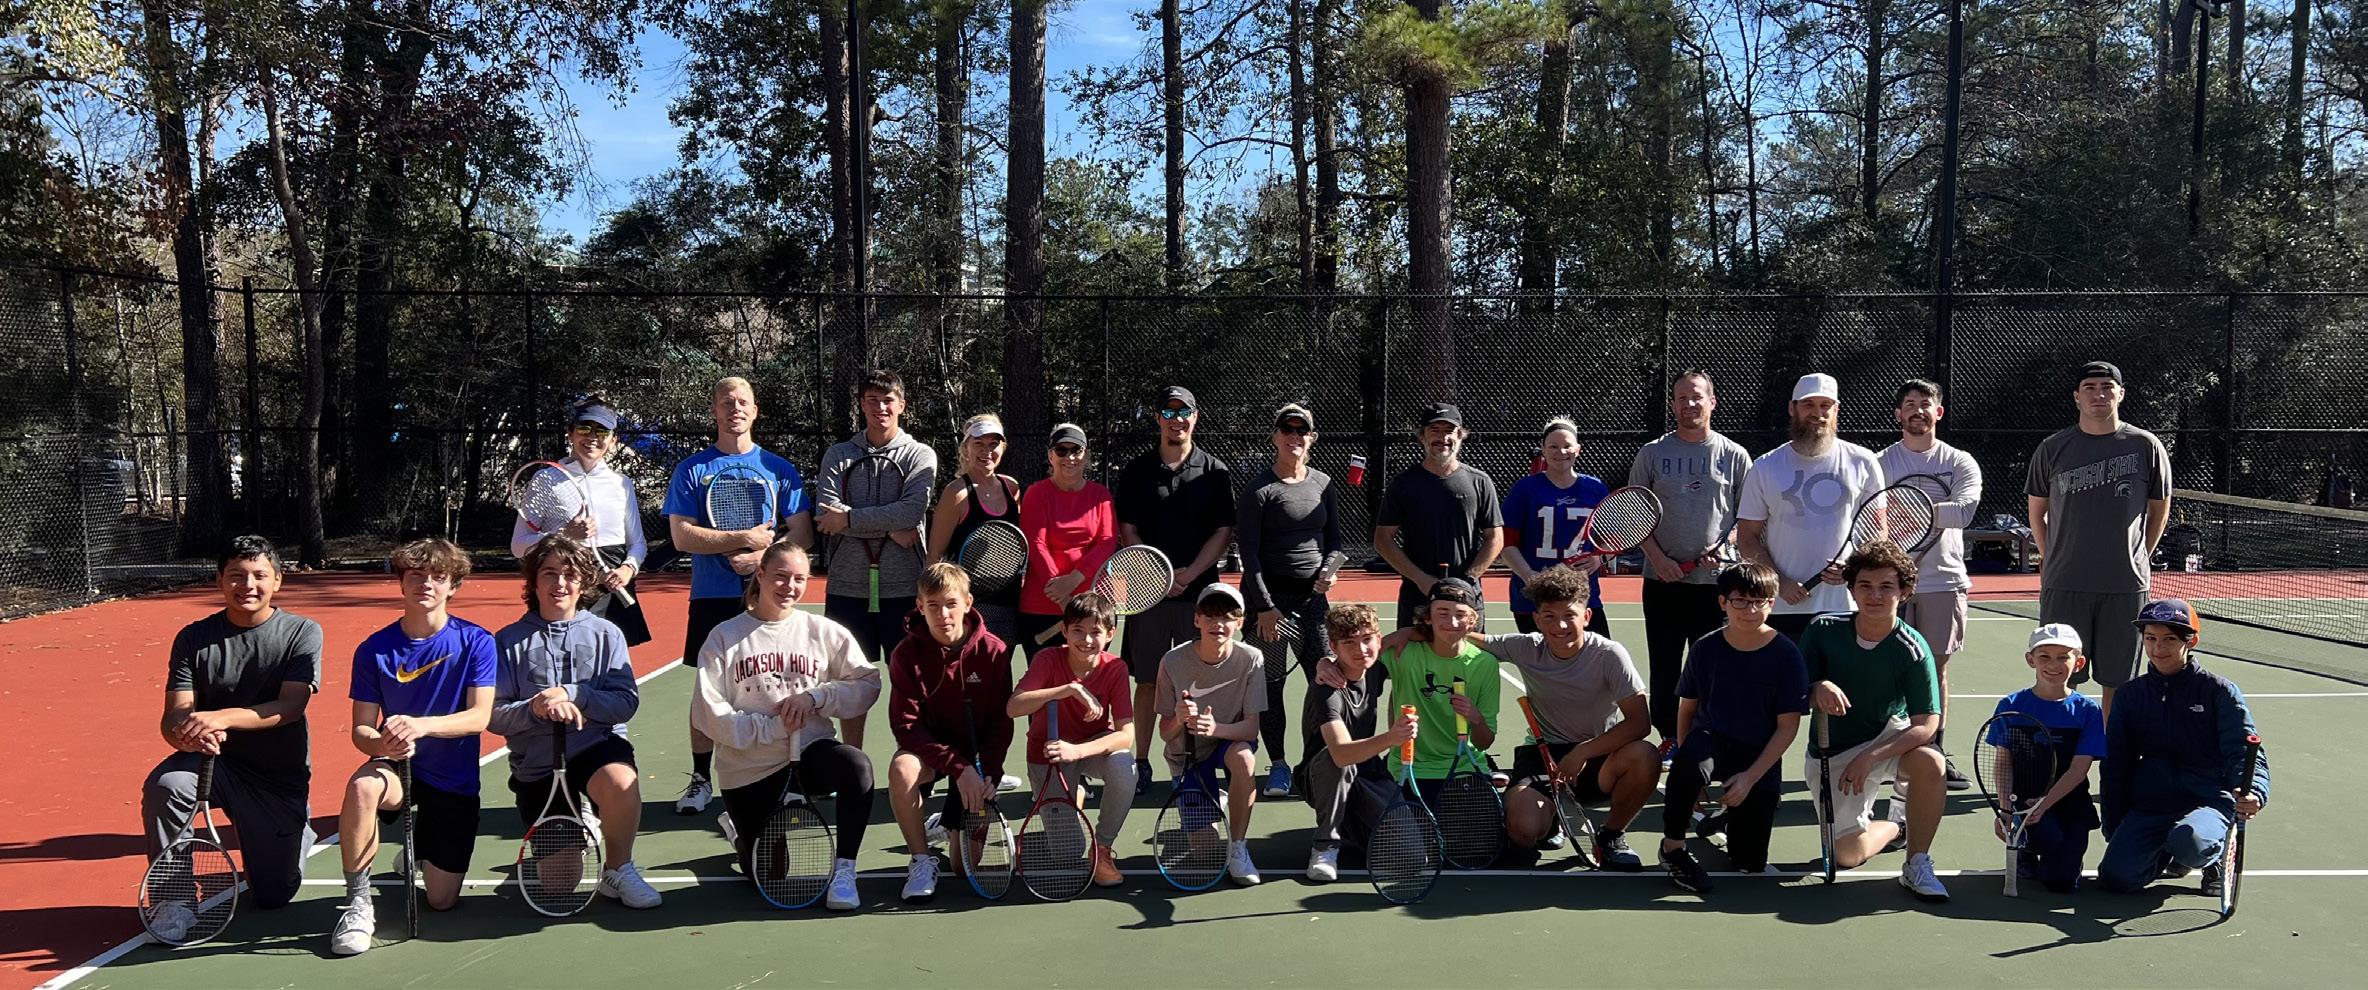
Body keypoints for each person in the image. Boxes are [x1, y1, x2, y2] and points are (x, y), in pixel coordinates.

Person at [1393, 566, 1656, 870]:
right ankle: (1551, 820)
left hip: (1598, 755)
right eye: (1549, 616)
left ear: (1586, 616)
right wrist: (1410, 632)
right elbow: (1459, 634)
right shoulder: (1526, 647)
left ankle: (1611, 835)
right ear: (1537, 619)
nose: (1560, 625)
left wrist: (1582, 752)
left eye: (1569, 615)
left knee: (1645, 755)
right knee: (1522, 831)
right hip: (1542, 756)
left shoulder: (1609, 654)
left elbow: (1639, 723)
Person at [141, 536, 322, 938]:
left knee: (273, 895)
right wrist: (187, 736)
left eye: (259, 575)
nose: (248, 585)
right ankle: (173, 900)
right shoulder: (193, 637)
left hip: (275, 780)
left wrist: (221, 717)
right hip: (213, 767)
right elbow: (174, 716)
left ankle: (297, 832)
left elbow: (290, 707)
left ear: (278, 580)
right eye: (236, 576)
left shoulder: (301, 632)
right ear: (220, 581)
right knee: (167, 785)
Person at [329, 538, 496, 955]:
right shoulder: (374, 650)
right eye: (416, 575)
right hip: (397, 770)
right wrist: (384, 742)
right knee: (362, 786)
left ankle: (418, 852)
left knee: (441, 900)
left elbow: (479, 718)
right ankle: (358, 903)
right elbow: (361, 731)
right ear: (401, 582)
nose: (426, 584)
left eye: (438, 577)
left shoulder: (477, 641)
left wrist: (420, 727)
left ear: (453, 585)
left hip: (453, 779)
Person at [694, 542, 882, 911]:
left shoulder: (822, 631)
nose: (789, 587)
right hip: (749, 769)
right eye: (781, 576)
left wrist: (817, 697)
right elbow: (709, 716)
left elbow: (867, 684)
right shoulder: (724, 637)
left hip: (809, 754)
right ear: (760, 574)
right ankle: (739, 833)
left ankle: (845, 871)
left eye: (799, 579)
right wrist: (776, 728)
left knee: (855, 765)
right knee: (770, 874)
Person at [663, 376, 813, 818]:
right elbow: (682, 535)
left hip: (770, 595)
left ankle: (790, 775)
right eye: (727, 402)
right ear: (714, 410)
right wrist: (741, 539)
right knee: (707, 689)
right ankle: (700, 778)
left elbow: (802, 533)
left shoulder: (778, 468)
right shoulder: (692, 470)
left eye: (743, 402)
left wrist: (762, 557)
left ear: (755, 410)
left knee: (782, 681)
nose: (736, 409)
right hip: (712, 596)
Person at [489, 534, 661, 909]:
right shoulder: (506, 641)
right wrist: (535, 708)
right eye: (549, 573)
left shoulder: (607, 633)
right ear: (534, 582)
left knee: (620, 781)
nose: (560, 583)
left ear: (583, 582)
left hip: (595, 747)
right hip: (538, 765)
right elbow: (494, 716)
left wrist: (576, 695)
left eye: (569, 574)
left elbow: (625, 702)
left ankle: (618, 868)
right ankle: (574, 829)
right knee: (559, 886)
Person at [1800, 539, 1950, 903]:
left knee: (1931, 762)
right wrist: (1817, 686)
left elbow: (1927, 724)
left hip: (1886, 737)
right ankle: (1897, 825)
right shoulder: (1823, 629)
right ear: (1851, 589)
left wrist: (1869, 757)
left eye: (1886, 587)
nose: (1875, 595)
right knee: (1846, 856)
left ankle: (1917, 862)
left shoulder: (1912, 647)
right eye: (1865, 585)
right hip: (1832, 748)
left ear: (1905, 592)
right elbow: (1793, 691)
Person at [2025, 361, 2173, 724]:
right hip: (2065, 583)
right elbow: (2037, 512)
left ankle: (2112, 756)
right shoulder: (2052, 448)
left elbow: (2159, 509)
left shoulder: (2146, 446)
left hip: (2125, 585)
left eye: (2107, 386)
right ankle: (2062, 754)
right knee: (2058, 679)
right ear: (2077, 397)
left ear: (2120, 394)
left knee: (2119, 684)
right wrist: (2050, 556)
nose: (2099, 394)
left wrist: (2140, 556)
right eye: (2090, 388)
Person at [2098, 599, 2269, 895]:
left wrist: (2254, 791)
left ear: (2191, 641)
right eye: (2150, 638)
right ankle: (2167, 851)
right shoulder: (2130, 695)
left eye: (2169, 639)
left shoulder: (2219, 691)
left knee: (2191, 841)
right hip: (2152, 802)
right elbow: (2116, 761)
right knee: (2117, 878)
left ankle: (2211, 857)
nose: (2158, 648)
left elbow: (2243, 751)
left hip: (2208, 800)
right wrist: (2114, 824)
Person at [1656, 562, 1807, 893]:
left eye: (1758, 601)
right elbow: (1687, 710)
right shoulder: (1705, 648)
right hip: (1711, 742)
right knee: (1688, 762)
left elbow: (1787, 728)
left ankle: (1728, 817)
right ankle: (1672, 848)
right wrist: (1687, 775)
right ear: (1723, 602)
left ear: (1772, 603)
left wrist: (1750, 778)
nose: (1750, 610)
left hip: (1757, 754)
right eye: (1740, 601)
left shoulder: (1786, 654)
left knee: (1749, 862)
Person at [1118, 386, 1235, 796]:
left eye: (1183, 412)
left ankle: (1195, 763)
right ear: (1158, 419)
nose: (1176, 420)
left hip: (1198, 597)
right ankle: (1140, 761)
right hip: (1149, 595)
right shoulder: (1137, 470)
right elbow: (1127, 529)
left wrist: (1189, 574)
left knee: (1199, 681)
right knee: (1148, 681)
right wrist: (1158, 576)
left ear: (1195, 417)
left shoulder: (1215, 471)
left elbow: (1223, 531)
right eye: (1168, 412)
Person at [1629, 370, 1751, 759]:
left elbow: (1747, 518)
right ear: (1673, 405)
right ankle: (1669, 737)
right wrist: (1658, 559)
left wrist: (1726, 543)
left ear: (1712, 402)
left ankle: (1708, 737)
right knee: (1664, 666)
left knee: (1713, 666)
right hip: (1662, 583)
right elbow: (1633, 515)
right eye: (1681, 398)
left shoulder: (1734, 456)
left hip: (1715, 585)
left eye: (1697, 397)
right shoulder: (1651, 453)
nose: (1689, 404)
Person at [816, 369, 938, 749]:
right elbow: (827, 516)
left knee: (911, 678)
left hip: (904, 588)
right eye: (872, 400)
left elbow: (910, 512)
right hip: (846, 587)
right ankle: (851, 760)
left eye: (888, 400)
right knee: (849, 680)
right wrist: (888, 527)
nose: (880, 407)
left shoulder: (920, 454)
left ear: (902, 405)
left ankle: (912, 756)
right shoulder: (839, 454)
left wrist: (849, 520)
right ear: (862, 405)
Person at [883, 562, 1017, 903]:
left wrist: (989, 770)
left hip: (975, 760)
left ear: (968, 603)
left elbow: (1000, 722)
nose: (943, 614)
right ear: (920, 606)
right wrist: (958, 768)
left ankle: (943, 824)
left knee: (962, 867)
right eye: (933, 605)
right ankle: (921, 858)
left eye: (951, 604)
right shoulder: (905, 655)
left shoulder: (994, 651)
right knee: (902, 769)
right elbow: (906, 726)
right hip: (931, 754)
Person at [1235, 402, 1347, 799]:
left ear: (1311, 438)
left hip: (1313, 603)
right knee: (1272, 684)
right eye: (1287, 429)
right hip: (1270, 605)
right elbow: (1249, 554)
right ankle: (1279, 765)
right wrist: (1265, 607)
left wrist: (1330, 570)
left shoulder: (1323, 484)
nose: (1294, 437)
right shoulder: (1260, 489)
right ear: (1275, 437)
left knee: (1326, 679)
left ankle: (1317, 760)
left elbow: (1335, 541)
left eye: (1302, 430)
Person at [1878, 378, 1982, 791]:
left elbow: (1965, 511)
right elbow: (1871, 509)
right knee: (1886, 669)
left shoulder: (1959, 462)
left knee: (1934, 669)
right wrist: (1933, 512)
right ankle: (1884, 753)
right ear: (1898, 414)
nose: (1917, 411)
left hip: (1944, 580)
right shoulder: (1880, 462)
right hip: (1888, 582)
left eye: (1925, 404)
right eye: (1910, 404)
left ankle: (1933, 751)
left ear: (1938, 412)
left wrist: (1911, 510)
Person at [1737, 373, 1884, 640]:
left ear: (1836, 410)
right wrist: (1779, 581)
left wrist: (1854, 569)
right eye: (1808, 405)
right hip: (1781, 607)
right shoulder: (1766, 466)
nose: (1818, 413)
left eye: (1825, 405)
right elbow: (1747, 537)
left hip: (1845, 606)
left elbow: (1878, 533)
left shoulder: (1863, 462)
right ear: (1792, 408)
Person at [1007, 592, 1138, 889]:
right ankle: (1072, 795)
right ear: (1064, 631)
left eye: (1096, 632)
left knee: (1124, 766)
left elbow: (1126, 736)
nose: (1086, 640)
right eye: (1078, 630)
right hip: (1048, 753)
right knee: (1067, 854)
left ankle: (1102, 849)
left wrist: (1077, 751)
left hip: (1087, 748)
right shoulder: (1047, 659)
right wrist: (1067, 689)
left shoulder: (1115, 667)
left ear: (1110, 634)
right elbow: (1014, 707)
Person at [506, 396, 652, 646]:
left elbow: (637, 543)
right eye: (584, 429)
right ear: (571, 434)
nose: (592, 437)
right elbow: (518, 545)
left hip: (611, 585)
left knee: (611, 659)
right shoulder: (545, 480)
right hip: (562, 581)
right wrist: (565, 536)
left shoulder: (622, 484)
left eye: (602, 431)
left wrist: (627, 569)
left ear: (613, 440)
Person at [1153, 583, 1268, 885]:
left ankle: (1239, 847)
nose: (1219, 624)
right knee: (1204, 852)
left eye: (1228, 617)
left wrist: (1216, 728)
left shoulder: (1252, 658)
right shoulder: (1172, 661)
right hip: (1188, 753)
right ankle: (1215, 799)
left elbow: (1252, 727)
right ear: (1197, 620)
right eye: (1211, 615)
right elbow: (1165, 733)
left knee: (1244, 759)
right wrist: (1179, 719)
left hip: (1228, 741)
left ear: (1239, 623)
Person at [1298, 604, 1420, 882]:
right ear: (1334, 647)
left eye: (1367, 639)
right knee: (1338, 762)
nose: (1361, 650)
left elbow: (1426, 632)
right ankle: (1324, 847)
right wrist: (1392, 737)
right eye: (1349, 643)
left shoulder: (1374, 664)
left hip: (1367, 772)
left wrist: (1406, 631)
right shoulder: (1327, 688)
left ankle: (1351, 824)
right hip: (1321, 776)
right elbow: (1341, 754)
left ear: (1378, 639)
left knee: (1411, 856)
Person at [1982, 623, 2106, 894]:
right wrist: (2006, 811)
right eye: (2044, 656)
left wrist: (2043, 804)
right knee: (2046, 837)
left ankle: (2055, 854)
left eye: (2063, 657)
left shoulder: (2087, 710)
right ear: (2031, 660)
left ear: (2079, 663)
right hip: (2023, 803)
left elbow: (2078, 769)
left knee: (2061, 882)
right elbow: (2003, 763)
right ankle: (2026, 849)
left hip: (2069, 802)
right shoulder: (2011, 706)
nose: (2053, 664)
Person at [1374, 402, 1504, 629]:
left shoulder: (1479, 481)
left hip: (1466, 596)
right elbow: (1383, 539)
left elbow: (1496, 538)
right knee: (1413, 652)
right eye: (1434, 430)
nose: (1442, 437)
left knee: (1469, 651)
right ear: (1422, 436)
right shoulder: (1403, 484)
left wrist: (1469, 579)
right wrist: (1420, 579)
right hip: (1418, 596)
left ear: (1460, 436)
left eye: (1449, 431)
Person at [1382, 578, 1500, 809]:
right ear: (1428, 617)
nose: (1452, 622)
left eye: (1460, 614)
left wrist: (1475, 718)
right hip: (1407, 767)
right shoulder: (1403, 653)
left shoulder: (1485, 664)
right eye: (1442, 613)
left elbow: (1484, 743)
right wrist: (1326, 663)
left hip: (1465, 768)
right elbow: (1355, 659)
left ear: (1472, 620)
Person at [1500, 418, 1613, 639]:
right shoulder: (1525, 489)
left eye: (1567, 445)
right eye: (1553, 446)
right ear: (1543, 451)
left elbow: (1613, 536)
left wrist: (1599, 558)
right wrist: (1529, 576)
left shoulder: (1595, 488)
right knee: (1541, 660)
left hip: (1581, 596)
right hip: (1533, 599)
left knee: (1599, 656)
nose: (1561, 452)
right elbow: (1505, 542)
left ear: (1578, 449)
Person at [927, 413, 1024, 646]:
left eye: (993, 444)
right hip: (969, 604)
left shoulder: (1012, 488)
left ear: (1003, 447)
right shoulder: (956, 493)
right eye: (979, 443)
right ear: (966, 448)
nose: (986, 451)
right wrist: (934, 603)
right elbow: (935, 556)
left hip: (1009, 601)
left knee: (1001, 666)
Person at [1017, 423, 1117, 646]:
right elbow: (1036, 544)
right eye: (1061, 451)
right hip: (1041, 609)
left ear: (1086, 455)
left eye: (1076, 450)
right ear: (1050, 456)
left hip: (1093, 608)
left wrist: (1074, 580)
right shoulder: (1036, 493)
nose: (1069, 457)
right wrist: (1061, 596)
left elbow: (1107, 542)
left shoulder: (1101, 495)